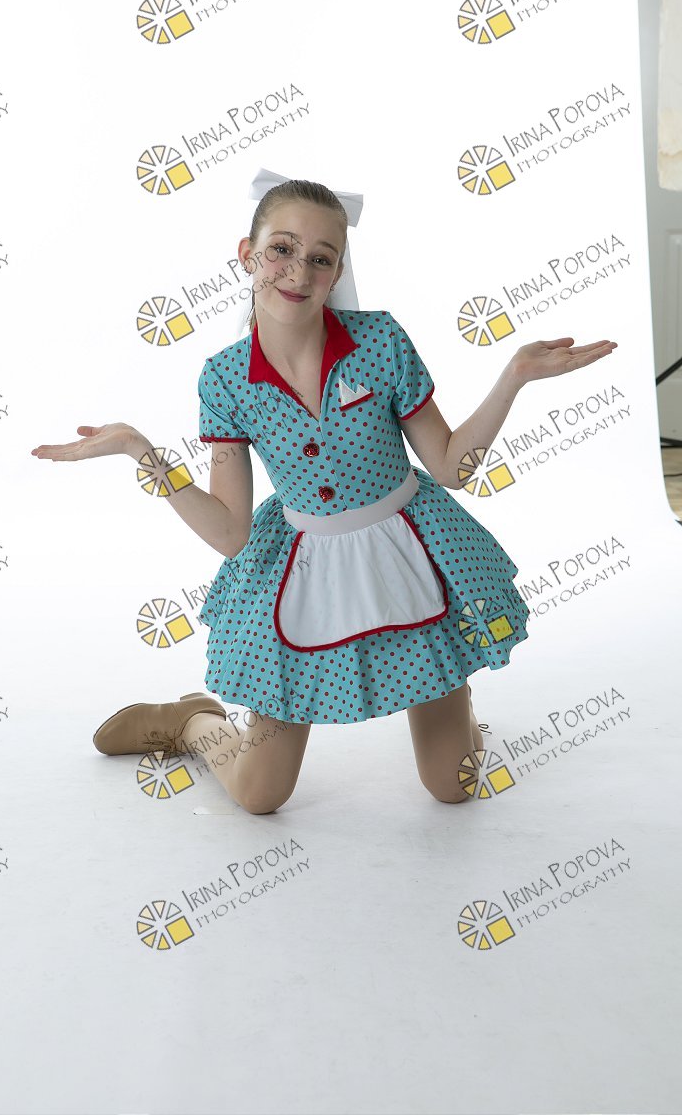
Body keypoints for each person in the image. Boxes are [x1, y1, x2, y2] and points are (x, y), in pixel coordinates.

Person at [31, 176, 618, 815]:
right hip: (303, 573)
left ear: (338, 271)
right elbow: (230, 533)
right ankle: (194, 721)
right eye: (281, 249)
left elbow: (453, 467)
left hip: (413, 556)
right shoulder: (225, 379)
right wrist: (143, 453)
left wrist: (515, 377)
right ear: (247, 254)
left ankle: (455, 704)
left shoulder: (380, 342)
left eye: (320, 257)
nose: (298, 271)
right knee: (259, 797)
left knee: (455, 785)